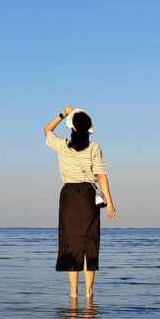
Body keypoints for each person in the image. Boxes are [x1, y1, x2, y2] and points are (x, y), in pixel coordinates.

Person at [44, 106, 116, 299]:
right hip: (87, 196)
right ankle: (89, 293)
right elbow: (101, 176)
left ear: (72, 128)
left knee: (72, 242)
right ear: (88, 128)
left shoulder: (62, 145)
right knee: (89, 242)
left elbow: (47, 130)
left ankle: (73, 293)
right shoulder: (94, 147)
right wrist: (110, 202)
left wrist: (63, 114)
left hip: (69, 195)